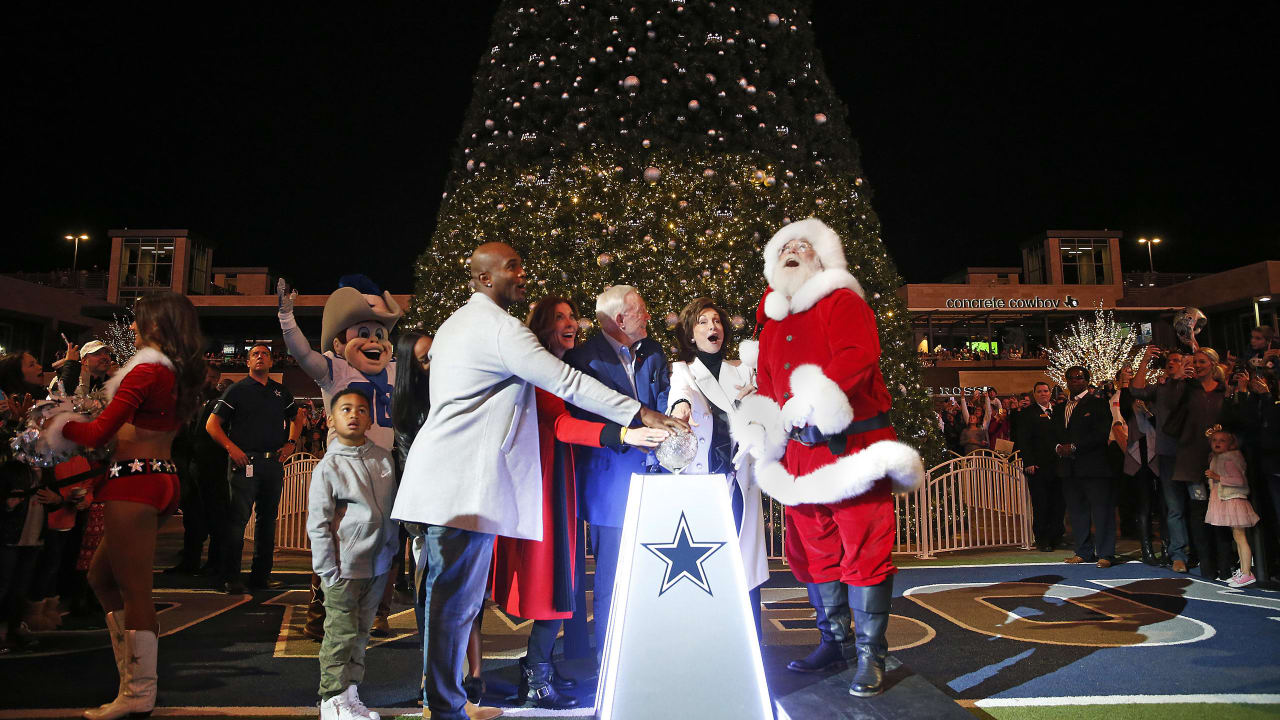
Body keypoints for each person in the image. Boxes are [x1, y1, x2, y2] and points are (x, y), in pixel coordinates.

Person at [390, 242, 686, 720]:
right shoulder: (500, 329)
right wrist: (640, 413)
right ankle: (444, 708)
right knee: (451, 604)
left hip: (459, 484)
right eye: (513, 268)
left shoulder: (457, 325)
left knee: (454, 604)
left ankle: (447, 702)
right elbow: (566, 384)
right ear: (485, 278)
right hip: (463, 486)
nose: (523, 275)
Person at [729, 218, 924, 698]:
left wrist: (811, 396)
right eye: (785, 247)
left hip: (851, 449)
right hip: (800, 456)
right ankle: (834, 640)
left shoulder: (843, 302)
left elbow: (858, 356)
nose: (793, 251)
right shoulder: (772, 323)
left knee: (865, 548)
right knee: (814, 553)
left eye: (804, 245)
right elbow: (772, 386)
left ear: (822, 258)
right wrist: (766, 423)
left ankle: (870, 655)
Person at [491, 296, 667, 709]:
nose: (570, 323)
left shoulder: (556, 368)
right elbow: (561, 425)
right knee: (553, 582)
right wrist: (625, 434)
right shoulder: (537, 371)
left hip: (558, 482)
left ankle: (537, 672)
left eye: (572, 316)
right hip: (543, 487)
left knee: (561, 582)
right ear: (541, 325)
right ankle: (532, 677)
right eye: (559, 318)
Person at [52, 292, 205, 720]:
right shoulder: (171, 370)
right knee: (101, 577)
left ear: (156, 324)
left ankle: (138, 692)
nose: (133, 328)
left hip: (136, 479)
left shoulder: (147, 368)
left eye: (139, 321)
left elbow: (100, 433)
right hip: (154, 476)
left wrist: (55, 425)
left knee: (136, 590)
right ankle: (130, 677)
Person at [562, 284, 670, 662]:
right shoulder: (583, 360)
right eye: (643, 309)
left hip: (657, 481)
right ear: (621, 319)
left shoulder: (654, 353)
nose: (649, 316)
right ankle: (609, 656)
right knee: (611, 577)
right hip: (612, 485)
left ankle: (649, 652)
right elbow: (583, 417)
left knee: (654, 573)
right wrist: (630, 437)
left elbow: (663, 398)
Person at [667, 297, 769, 635]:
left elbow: (763, 419)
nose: (713, 327)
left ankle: (750, 642)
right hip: (703, 484)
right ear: (691, 334)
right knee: (703, 565)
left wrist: (758, 398)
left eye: (717, 321)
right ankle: (704, 638)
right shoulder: (684, 370)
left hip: (738, 480)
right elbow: (680, 393)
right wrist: (680, 409)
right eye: (703, 322)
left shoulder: (742, 373)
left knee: (744, 565)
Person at [307, 388, 398, 720]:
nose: (354, 414)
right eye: (346, 409)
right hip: (343, 569)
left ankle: (350, 693)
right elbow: (317, 522)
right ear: (331, 419)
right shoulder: (329, 466)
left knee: (360, 635)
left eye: (361, 409)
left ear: (370, 419)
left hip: (378, 566)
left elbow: (390, 510)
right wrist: (326, 570)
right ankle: (331, 699)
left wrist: (391, 550)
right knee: (339, 634)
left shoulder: (382, 458)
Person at [206, 344, 301, 593]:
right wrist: (231, 448)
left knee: (267, 521)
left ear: (271, 362)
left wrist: (291, 443)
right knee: (237, 520)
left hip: (272, 463)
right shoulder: (237, 391)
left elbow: (297, 417)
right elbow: (212, 425)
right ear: (248, 362)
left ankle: (261, 576)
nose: (260, 357)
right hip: (244, 462)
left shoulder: (281, 391)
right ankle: (231, 577)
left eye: (265, 354)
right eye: (255, 354)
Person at [1132, 347, 1195, 572]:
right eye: (1169, 360)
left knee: (1199, 506)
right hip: (1168, 454)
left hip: (1195, 455)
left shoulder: (1194, 386)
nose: (1171, 363)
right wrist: (1145, 360)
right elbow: (1137, 389)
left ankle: (1204, 553)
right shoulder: (1160, 388)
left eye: (1177, 360)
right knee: (1174, 507)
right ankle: (1178, 555)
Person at [1055, 366, 1117, 568]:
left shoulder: (1098, 404)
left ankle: (1106, 553)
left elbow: (1100, 434)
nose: (1075, 381)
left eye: (1079, 378)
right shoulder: (1061, 407)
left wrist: (1074, 446)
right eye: (1071, 378)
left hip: (1093, 466)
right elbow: (1054, 433)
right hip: (1069, 468)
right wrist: (1058, 447)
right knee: (1076, 511)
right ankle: (1083, 551)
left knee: (1101, 510)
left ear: (1087, 380)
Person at [166, 364, 223, 575]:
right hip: (189, 467)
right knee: (192, 518)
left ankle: (215, 563)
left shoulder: (219, 401)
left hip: (210, 468)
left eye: (211, 377)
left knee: (214, 517)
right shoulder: (190, 400)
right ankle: (190, 561)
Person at [1203, 427, 1259, 587]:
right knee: (1237, 537)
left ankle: (1247, 572)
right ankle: (1244, 570)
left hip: (1234, 501)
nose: (1217, 443)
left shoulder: (1229, 459)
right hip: (1227, 500)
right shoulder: (1219, 458)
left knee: (1240, 537)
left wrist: (1217, 477)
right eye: (1214, 440)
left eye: (1222, 441)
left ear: (1231, 443)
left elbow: (1240, 481)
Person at [1015, 382, 1066, 552]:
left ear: (1050, 393)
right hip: (1038, 466)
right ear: (1034, 394)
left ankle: (1057, 536)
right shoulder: (1027, 413)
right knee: (1041, 503)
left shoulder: (1059, 410)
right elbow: (1023, 439)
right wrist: (1028, 461)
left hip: (1058, 466)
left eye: (1046, 391)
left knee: (1059, 503)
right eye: (1039, 391)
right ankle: (1042, 539)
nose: (1043, 394)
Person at [958, 390, 991, 454]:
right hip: (969, 451)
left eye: (979, 410)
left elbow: (988, 412)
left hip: (982, 452)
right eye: (976, 410)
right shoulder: (970, 421)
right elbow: (965, 412)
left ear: (982, 413)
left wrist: (987, 398)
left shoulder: (984, 423)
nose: (977, 411)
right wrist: (962, 398)